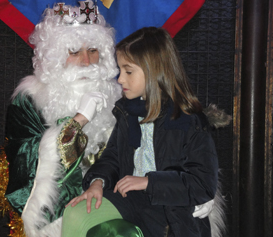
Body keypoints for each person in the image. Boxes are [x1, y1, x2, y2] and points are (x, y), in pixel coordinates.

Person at [0, 1, 220, 237]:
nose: (86, 61)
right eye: (74, 51)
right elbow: (31, 166)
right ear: (55, 57)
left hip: (141, 200)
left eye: (92, 50)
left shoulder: (122, 98)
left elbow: (194, 168)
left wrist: (203, 193)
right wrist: (81, 122)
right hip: (64, 205)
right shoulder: (32, 100)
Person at [62, 27, 230, 237]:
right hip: (132, 200)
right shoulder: (128, 111)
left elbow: (201, 183)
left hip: (171, 210)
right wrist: (98, 182)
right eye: (120, 70)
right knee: (76, 213)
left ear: (154, 72)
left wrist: (149, 181)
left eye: (128, 71)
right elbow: (112, 157)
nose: (120, 79)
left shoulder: (189, 120)